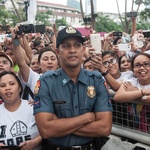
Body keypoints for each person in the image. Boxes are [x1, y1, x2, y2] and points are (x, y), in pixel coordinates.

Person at [34, 25, 113, 149]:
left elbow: (104, 128)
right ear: (57, 51)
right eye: (66, 46)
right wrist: (87, 118)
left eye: (77, 45)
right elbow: (46, 130)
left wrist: (59, 124)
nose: (72, 50)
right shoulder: (46, 82)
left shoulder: (96, 80)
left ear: (83, 49)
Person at [0, 71, 41, 150]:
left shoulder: (33, 107)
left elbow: (50, 131)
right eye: (3, 85)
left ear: (19, 88)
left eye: (12, 84)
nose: (7, 88)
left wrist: (36, 141)